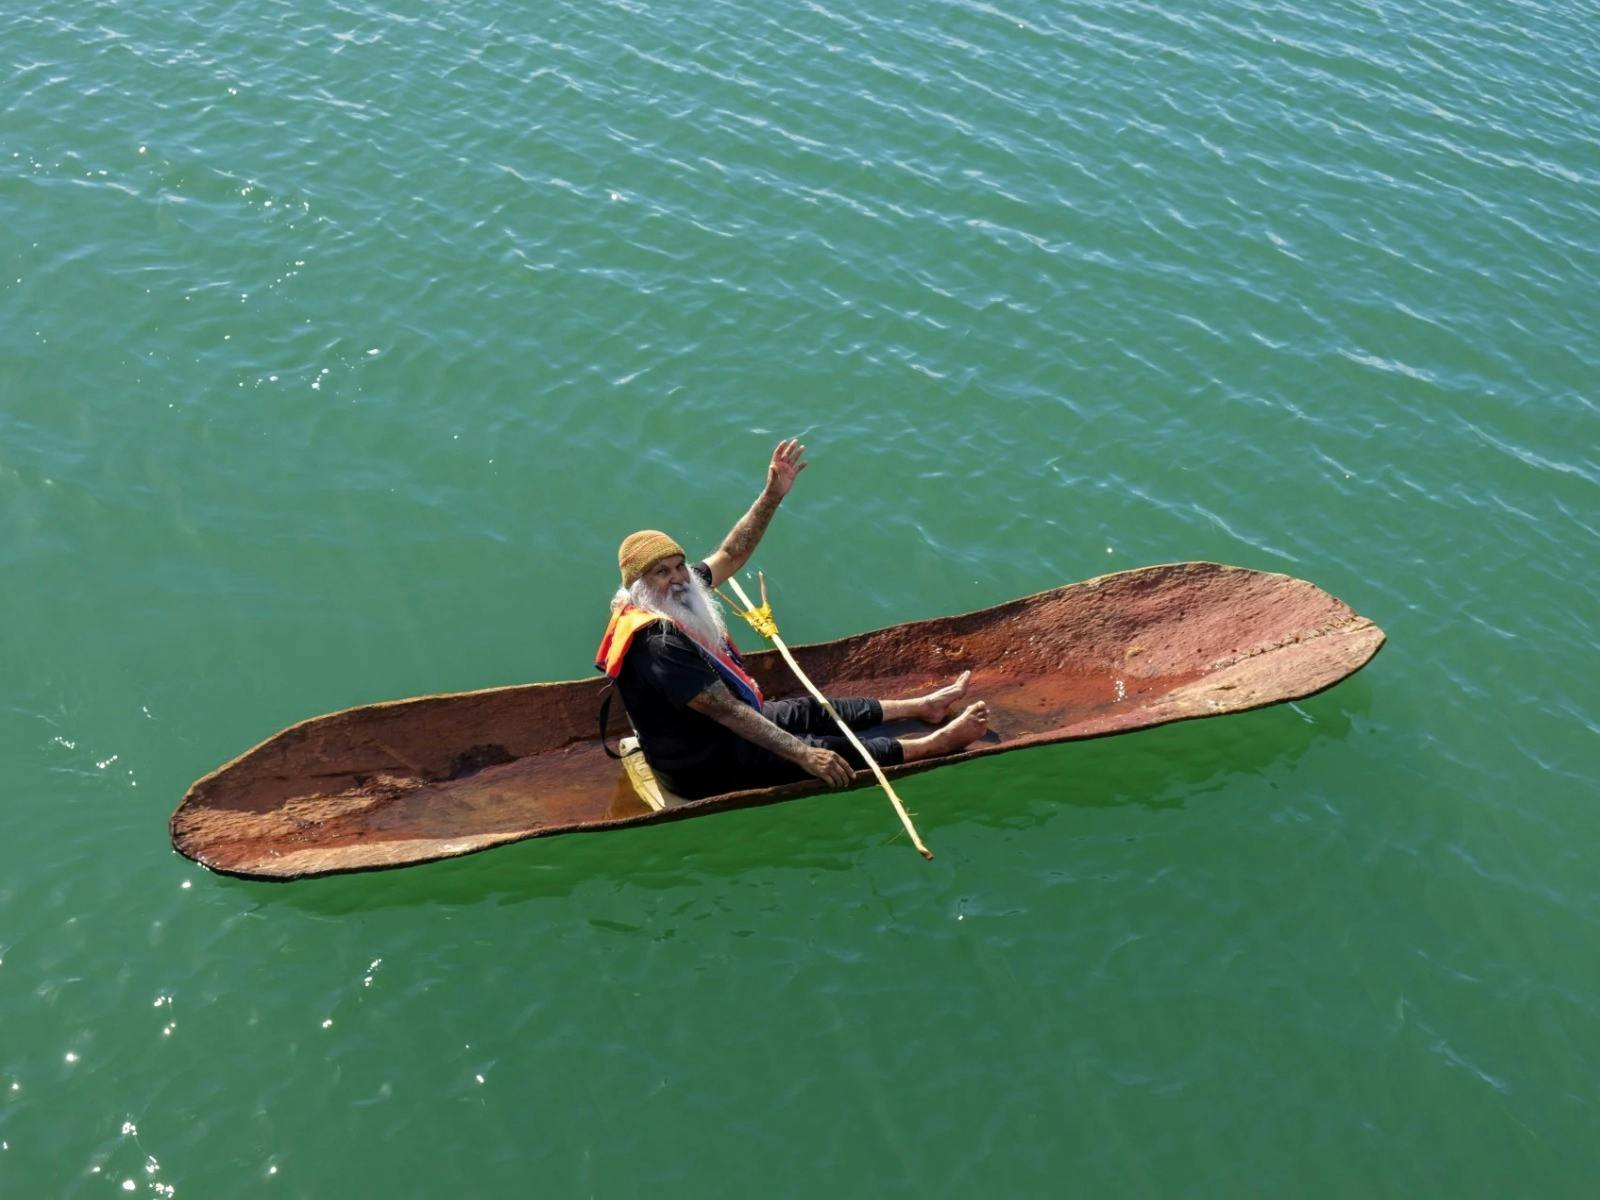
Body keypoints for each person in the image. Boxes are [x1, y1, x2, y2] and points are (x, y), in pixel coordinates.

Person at [596, 438, 989, 800]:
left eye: (678, 566)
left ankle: (922, 707)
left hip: (715, 730)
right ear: (640, 587)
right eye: (661, 573)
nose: (678, 578)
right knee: (821, 750)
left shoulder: (680, 591)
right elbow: (728, 712)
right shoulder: (658, 644)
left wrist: (772, 495)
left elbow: (731, 554)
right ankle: (932, 745)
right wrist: (803, 754)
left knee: (808, 711)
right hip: (701, 764)